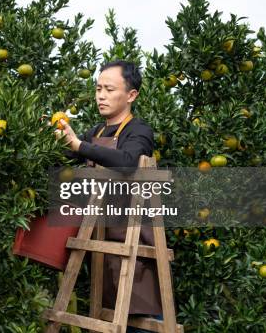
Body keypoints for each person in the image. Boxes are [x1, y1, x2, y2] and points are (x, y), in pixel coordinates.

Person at [55, 59, 163, 332]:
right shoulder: (97, 132)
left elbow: (127, 161)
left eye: (109, 89)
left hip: (133, 243)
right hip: (100, 242)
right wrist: (55, 140)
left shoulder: (139, 131)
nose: (101, 95)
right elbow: (67, 153)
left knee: (139, 320)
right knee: (104, 315)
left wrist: (80, 146)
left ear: (131, 95)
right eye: (98, 88)